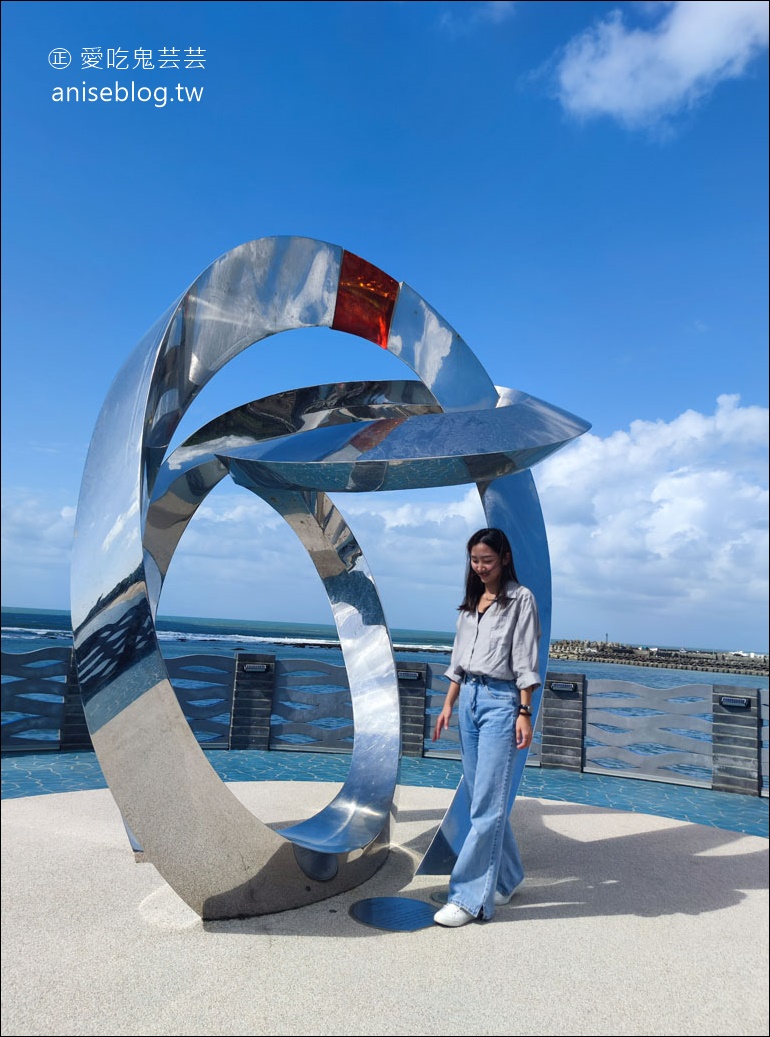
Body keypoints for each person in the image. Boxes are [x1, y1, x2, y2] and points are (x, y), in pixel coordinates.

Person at [431, 527, 541, 927]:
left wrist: (525, 712)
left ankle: (468, 898)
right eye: (475, 560)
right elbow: (458, 662)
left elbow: (527, 661)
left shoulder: (521, 600)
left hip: (501, 702)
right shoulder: (470, 602)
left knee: (485, 807)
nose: (480, 567)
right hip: (469, 703)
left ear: (505, 558)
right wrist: (447, 706)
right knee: (484, 800)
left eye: (487, 560)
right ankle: (509, 877)